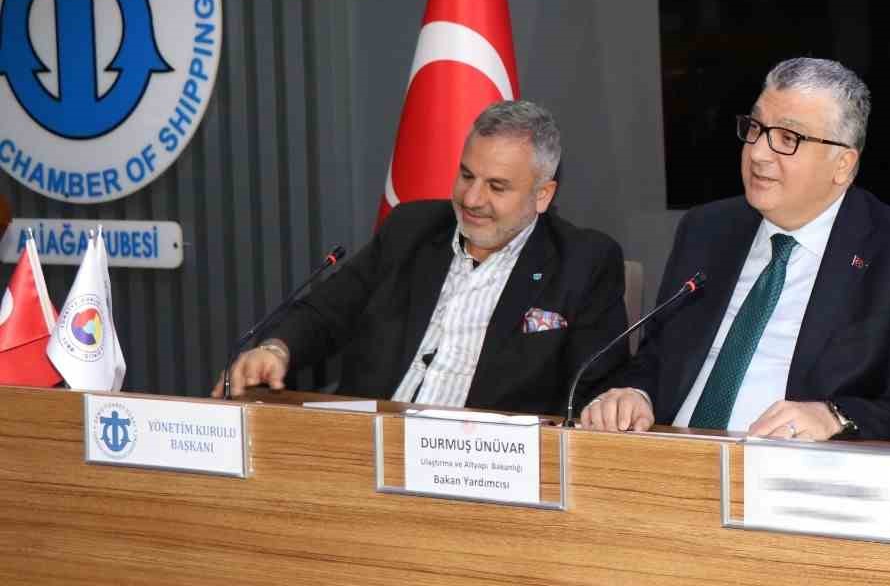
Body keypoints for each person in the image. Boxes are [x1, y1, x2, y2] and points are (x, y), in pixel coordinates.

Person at [583, 57, 890, 442]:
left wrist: (835, 416)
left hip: (791, 468)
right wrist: (635, 393)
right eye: (756, 128)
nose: (758, 153)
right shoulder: (706, 229)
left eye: (788, 139)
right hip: (676, 451)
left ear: (843, 165)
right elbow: (656, 358)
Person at [213, 99, 628, 413]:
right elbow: (326, 312)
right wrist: (277, 350)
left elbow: (596, 390)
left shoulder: (583, 263)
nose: (472, 198)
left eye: (496, 187)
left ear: (542, 195)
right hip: (369, 445)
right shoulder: (411, 229)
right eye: (466, 175)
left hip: (482, 469)